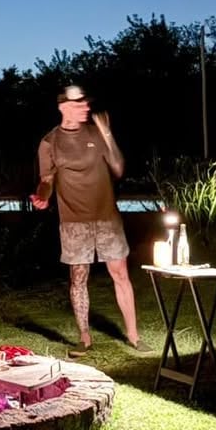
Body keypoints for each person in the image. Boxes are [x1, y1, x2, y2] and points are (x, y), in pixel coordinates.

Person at [30, 83, 140, 353]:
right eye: (79, 104)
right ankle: (85, 338)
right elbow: (47, 179)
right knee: (78, 278)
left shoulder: (96, 133)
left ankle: (134, 336)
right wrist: (42, 195)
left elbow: (118, 167)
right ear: (63, 108)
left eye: (86, 103)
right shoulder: (49, 142)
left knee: (120, 274)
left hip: (107, 219)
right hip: (74, 222)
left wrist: (107, 133)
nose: (86, 108)